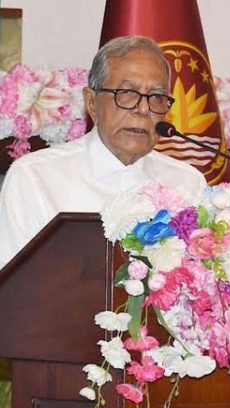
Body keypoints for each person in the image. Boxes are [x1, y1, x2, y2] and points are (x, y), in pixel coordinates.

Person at [0, 36, 208, 269]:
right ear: (92, 103)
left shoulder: (187, 183)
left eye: (157, 97)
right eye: (127, 93)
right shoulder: (35, 178)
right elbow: (12, 285)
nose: (143, 109)